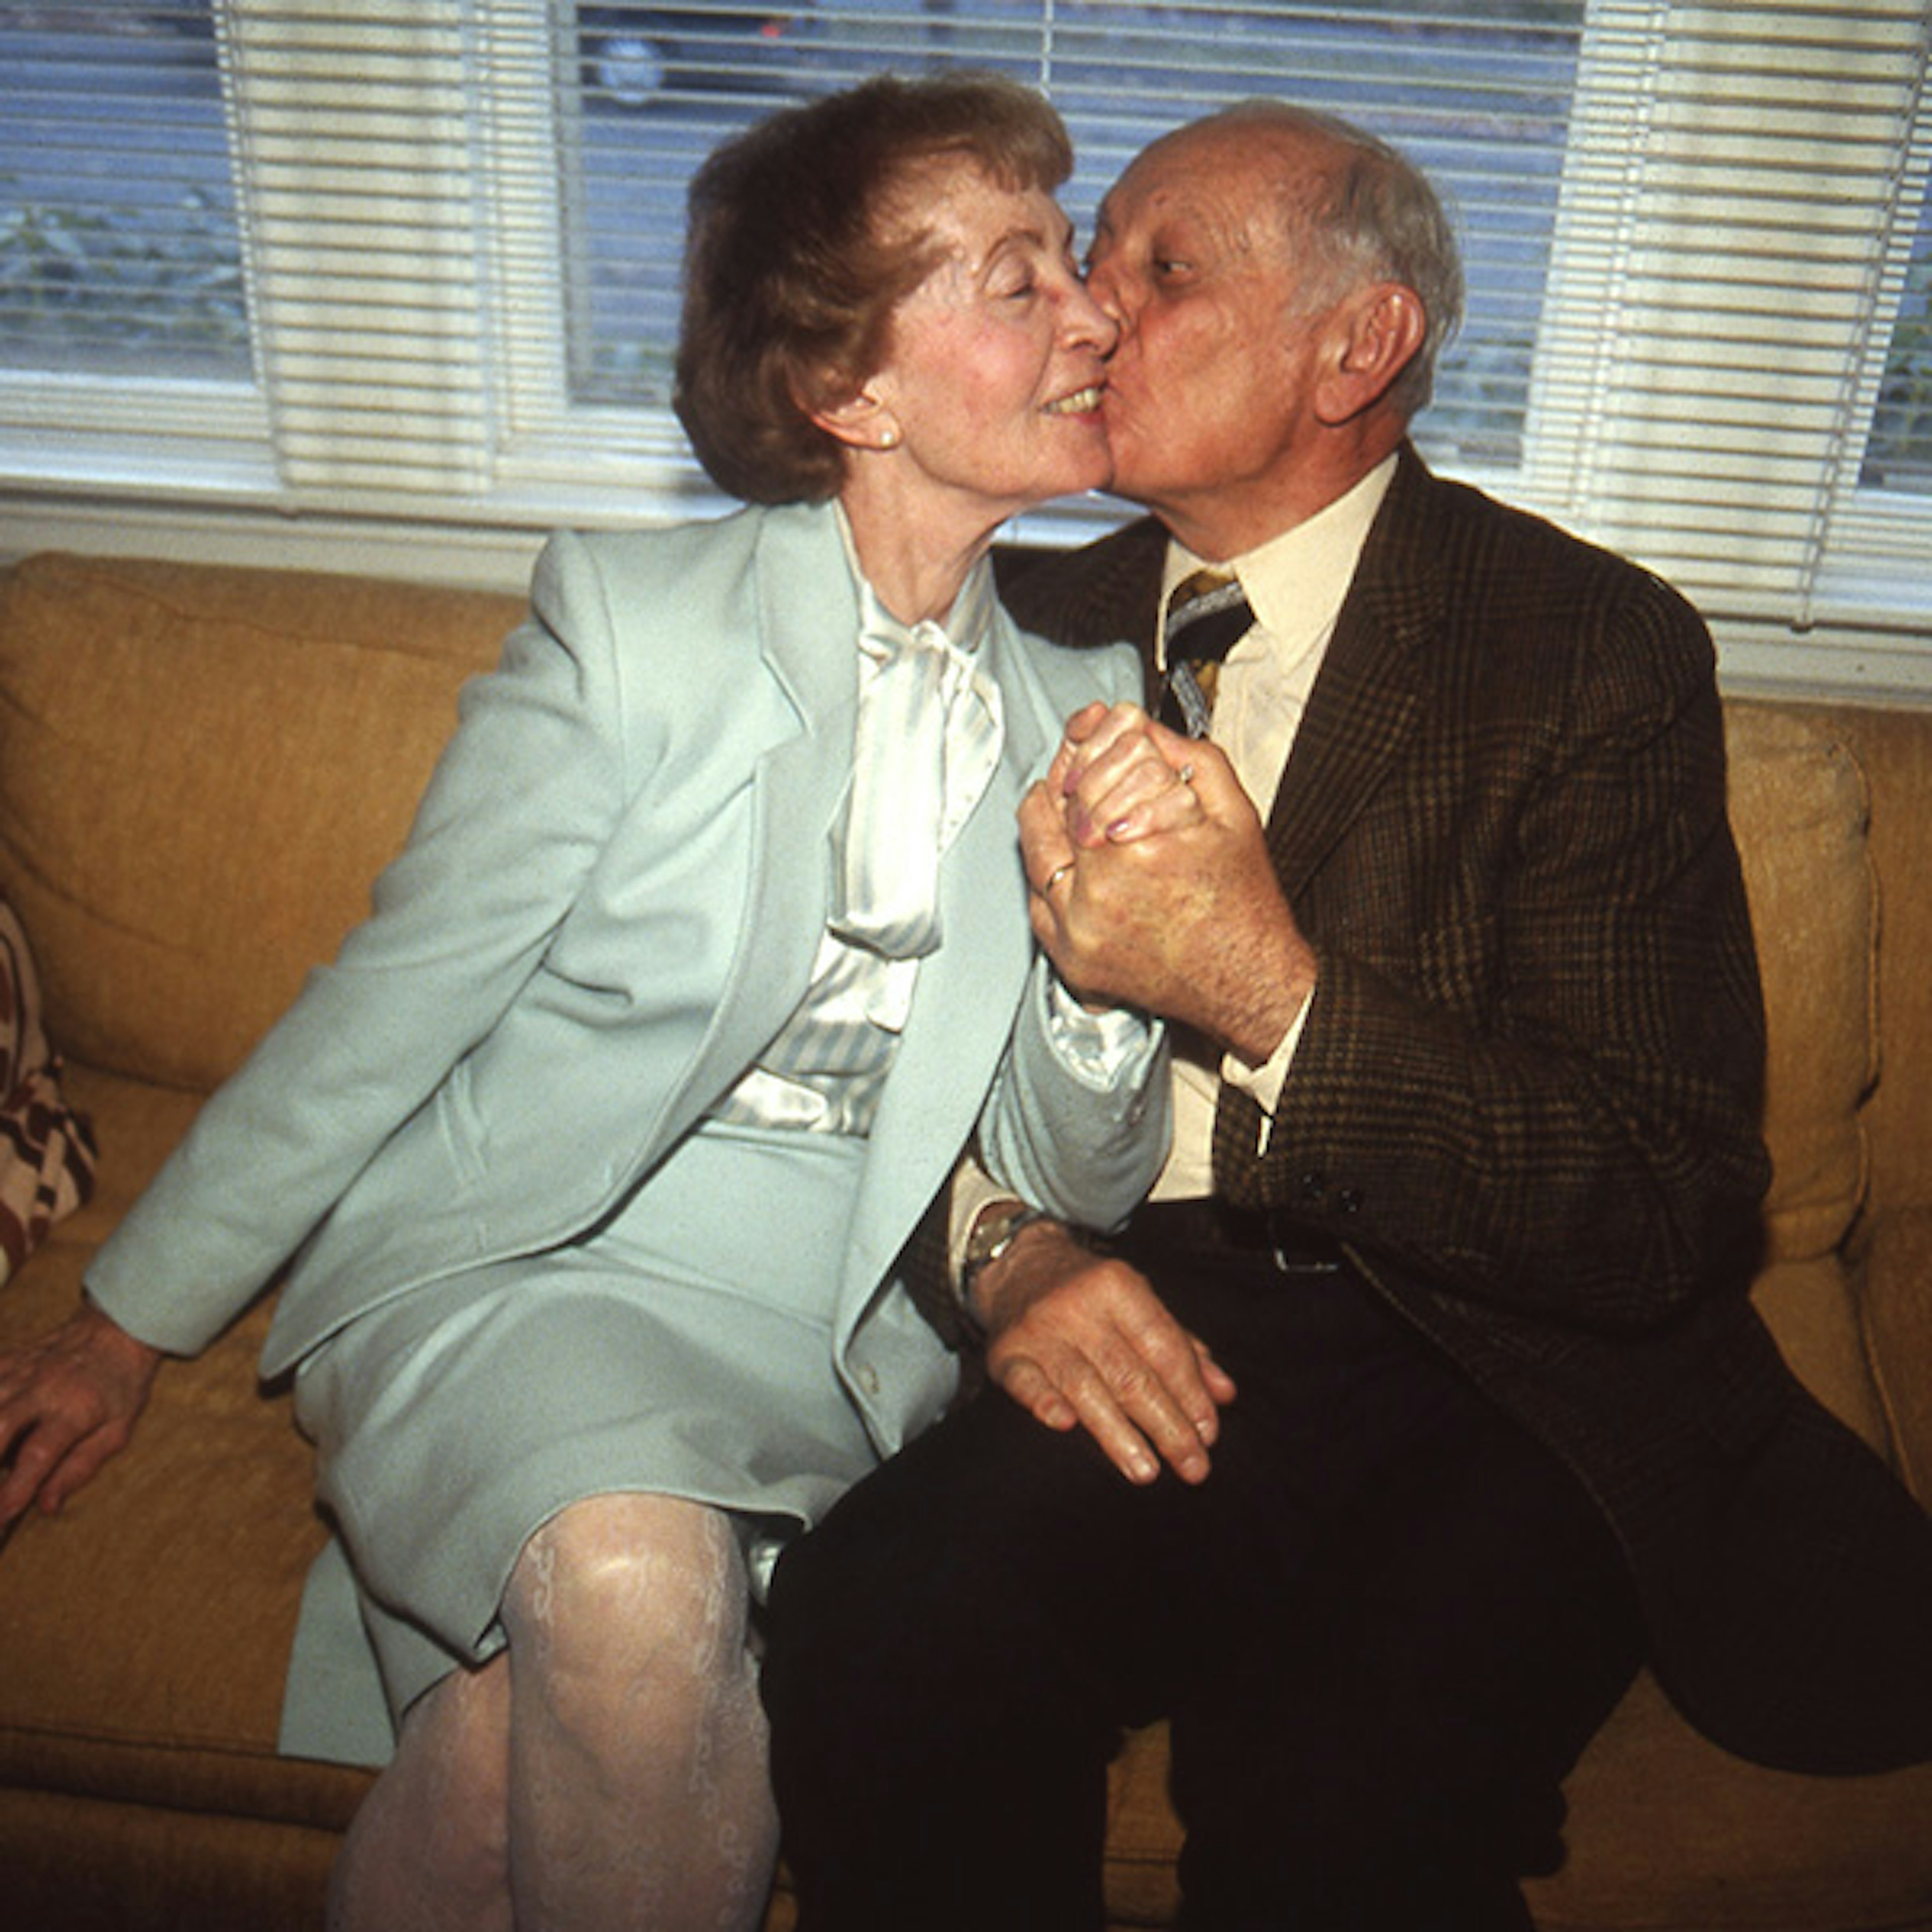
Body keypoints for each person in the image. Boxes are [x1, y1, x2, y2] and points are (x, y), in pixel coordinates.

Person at [0, 73, 1182, 1932]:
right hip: (543, 1261)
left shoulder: (1091, 695)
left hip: (837, 1325)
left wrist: (1115, 981)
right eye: (1018, 279)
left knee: (494, 1786)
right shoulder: (631, 636)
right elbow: (384, 1011)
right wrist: (124, 1326)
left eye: (1072, 260)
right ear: (849, 392)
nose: (1095, 313)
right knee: (632, 1588)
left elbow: (1070, 1176)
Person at [759, 99, 1932, 1930]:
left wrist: (1270, 994)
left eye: (1161, 267)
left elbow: (1660, 1193)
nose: (1088, 312)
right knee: (874, 1626)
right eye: (1082, 264)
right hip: (1149, 1312)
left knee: (1334, 1804)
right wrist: (1006, 1254)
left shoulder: (1586, 647)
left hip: (1503, 1361)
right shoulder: (1007, 616)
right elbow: (837, 1055)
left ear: (1357, 346)